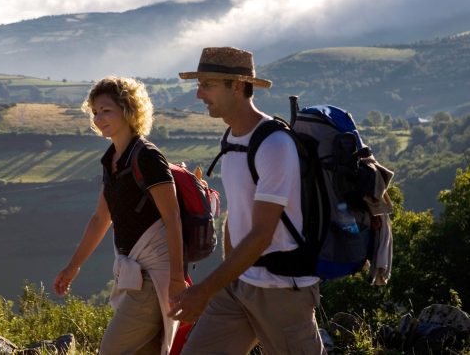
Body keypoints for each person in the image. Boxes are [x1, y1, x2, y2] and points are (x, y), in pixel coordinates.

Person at [168, 47, 325, 354]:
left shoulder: (274, 144)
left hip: (281, 290)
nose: (199, 94)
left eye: (208, 85)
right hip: (239, 285)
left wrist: (205, 290)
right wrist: (229, 277)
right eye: (199, 85)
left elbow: (262, 234)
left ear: (238, 86)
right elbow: (236, 213)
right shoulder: (232, 139)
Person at [53, 75, 187, 354]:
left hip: (153, 277)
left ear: (128, 110)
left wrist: (176, 280)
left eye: (106, 110)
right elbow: (100, 219)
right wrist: (72, 267)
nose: (98, 118)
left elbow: (173, 218)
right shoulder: (112, 159)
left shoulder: (147, 157)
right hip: (134, 276)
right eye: (95, 112)